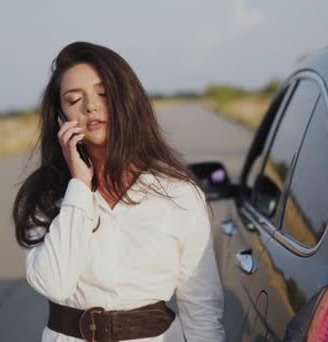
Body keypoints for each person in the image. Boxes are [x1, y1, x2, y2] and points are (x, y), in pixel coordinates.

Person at [13, 41, 225, 341]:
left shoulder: (179, 193)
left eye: (103, 93)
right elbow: (55, 284)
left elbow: (202, 308)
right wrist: (80, 188)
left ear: (128, 100)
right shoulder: (44, 196)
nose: (90, 106)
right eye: (74, 100)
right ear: (60, 117)